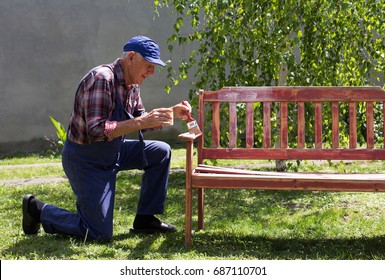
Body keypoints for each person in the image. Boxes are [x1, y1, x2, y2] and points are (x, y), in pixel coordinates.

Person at [22, 35, 192, 241]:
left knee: (160, 151)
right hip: (86, 160)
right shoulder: (102, 79)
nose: (152, 72)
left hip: (114, 151)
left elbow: (140, 120)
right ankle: (38, 210)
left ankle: (145, 219)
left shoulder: (132, 85)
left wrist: (171, 113)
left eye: (154, 66)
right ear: (131, 58)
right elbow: (96, 130)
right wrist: (141, 122)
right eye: (148, 65)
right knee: (98, 233)